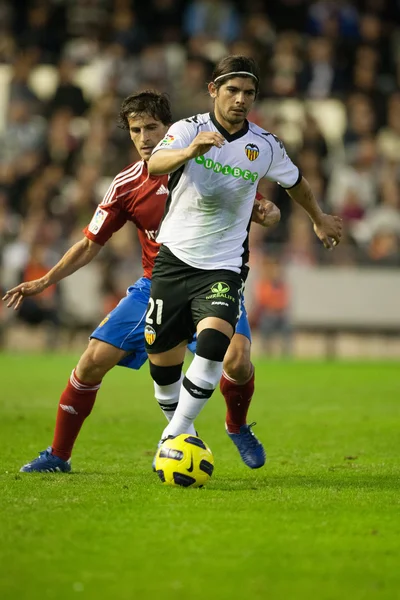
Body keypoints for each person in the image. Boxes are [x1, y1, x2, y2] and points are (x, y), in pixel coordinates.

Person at [3, 90, 279, 473]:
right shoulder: (127, 184)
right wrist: (44, 281)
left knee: (238, 359)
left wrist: (266, 211)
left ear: (171, 129)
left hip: (215, 278)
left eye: (152, 127)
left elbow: (259, 204)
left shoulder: (213, 163)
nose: (145, 138)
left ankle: (236, 425)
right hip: (156, 285)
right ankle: (58, 455)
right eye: (136, 130)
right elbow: (89, 243)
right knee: (91, 362)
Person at [145, 55, 343, 448]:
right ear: (213, 91)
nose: (240, 99)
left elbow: (296, 183)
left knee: (217, 345)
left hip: (224, 265)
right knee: (163, 366)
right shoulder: (189, 129)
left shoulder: (264, 145)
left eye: (248, 93)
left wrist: (318, 217)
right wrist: (190, 151)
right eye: (232, 90)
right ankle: (182, 428)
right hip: (174, 259)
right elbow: (155, 164)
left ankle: (174, 436)